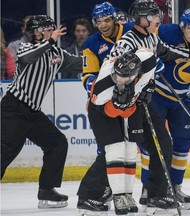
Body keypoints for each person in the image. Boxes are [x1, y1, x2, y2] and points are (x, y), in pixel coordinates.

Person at [108, 0, 190, 215]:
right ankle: (93, 193)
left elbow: (166, 52)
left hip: (141, 102)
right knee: (118, 150)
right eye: (155, 16)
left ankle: (155, 194)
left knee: (163, 145)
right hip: (121, 105)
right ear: (143, 19)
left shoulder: (151, 37)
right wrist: (142, 66)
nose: (160, 19)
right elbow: (115, 72)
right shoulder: (127, 41)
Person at [138, 8, 190, 211]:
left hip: (183, 99)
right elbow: (142, 38)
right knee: (153, 143)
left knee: (183, 143)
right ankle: (149, 188)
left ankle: (175, 186)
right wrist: (149, 58)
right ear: (182, 26)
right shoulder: (166, 32)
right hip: (157, 96)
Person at [1, 15, 82, 209]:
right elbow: (29, 58)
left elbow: (83, 63)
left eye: (50, 29)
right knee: (5, 153)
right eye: (47, 29)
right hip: (13, 109)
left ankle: (46, 191)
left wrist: (110, 59)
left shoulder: (57, 54)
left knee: (57, 143)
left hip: (32, 112)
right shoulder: (25, 48)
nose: (50, 31)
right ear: (36, 31)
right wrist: (51, 40)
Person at [76, 2, 134, 215]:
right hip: (107, 104)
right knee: (111, 149)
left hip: (132, 101)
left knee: (127, 148)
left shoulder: (130, 31)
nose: (102, 25)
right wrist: (97, 92)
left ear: (115, 19)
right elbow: (88, 75)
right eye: (98, 22)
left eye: (106, 20)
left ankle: (124, 191)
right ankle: (91, 193)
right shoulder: (91, 43)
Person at [88, 49, 156, 215]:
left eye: (124, 77)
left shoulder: (147, 60)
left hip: (129, 109)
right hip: (102, 111)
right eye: (117, 75)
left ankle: (127, 194)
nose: (119, 79)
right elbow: (106, 111)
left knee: (131, 148)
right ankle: (118, 196)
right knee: (116, 148)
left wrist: (148, 85)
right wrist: (118, 105)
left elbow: (154, 55)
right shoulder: (104, 86)